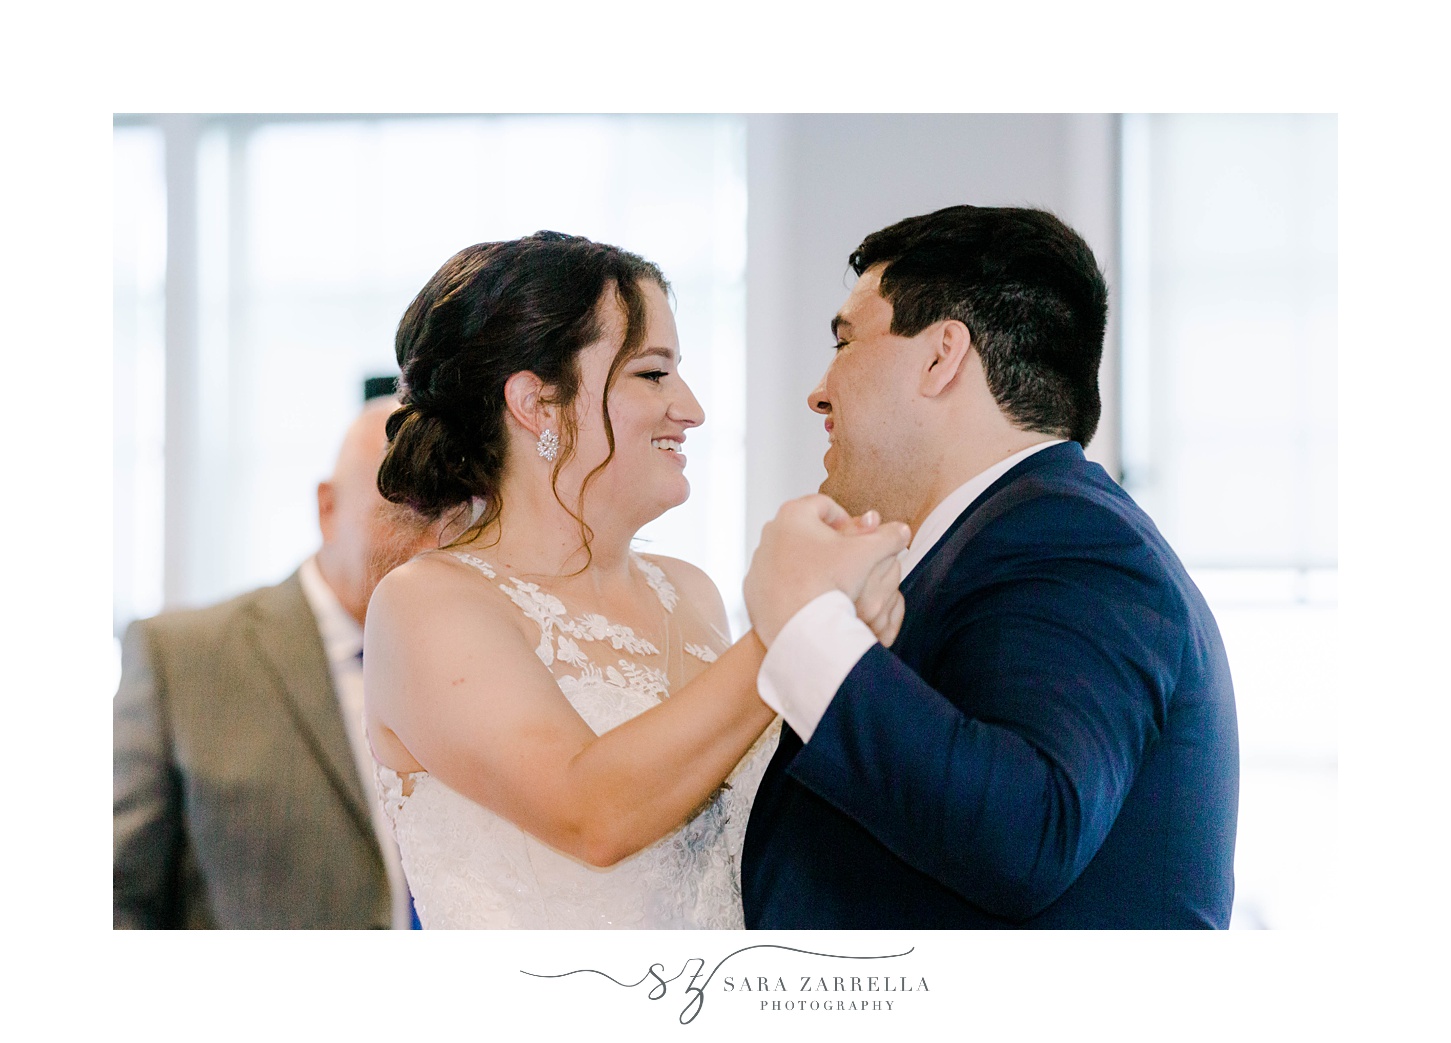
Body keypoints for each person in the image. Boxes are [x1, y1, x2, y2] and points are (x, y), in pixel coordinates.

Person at [363, 232, 906, 929]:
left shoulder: (691, 592)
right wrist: (787, 625)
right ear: (537, 403)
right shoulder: (427, 602)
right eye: (653, 374)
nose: (690, 408)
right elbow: (593, 811)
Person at [740, 204, 1240, 929]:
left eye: (845, 342)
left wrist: (804, 623)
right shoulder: (1001, 538)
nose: (819, 389)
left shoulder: (1073, 537)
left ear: (942, 355)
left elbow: (1027, 833)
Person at [113, 393, 440, 929]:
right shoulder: (182, 660)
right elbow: (114, 894)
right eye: (408, 510)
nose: (433, 542)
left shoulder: (483, 664)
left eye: (459, 512)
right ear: (327, 509)